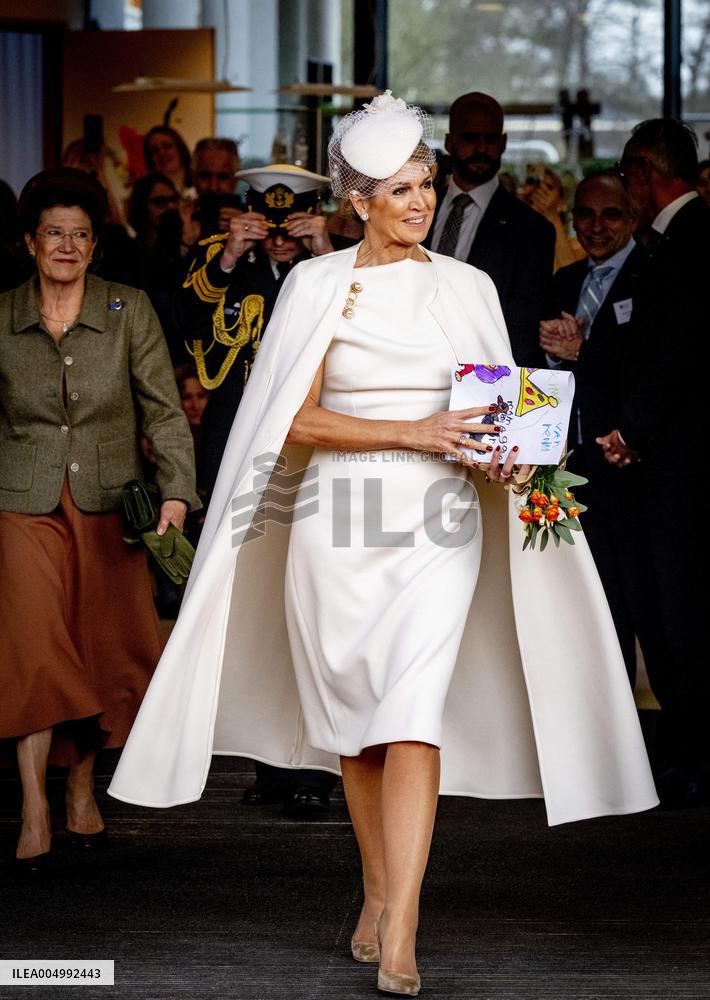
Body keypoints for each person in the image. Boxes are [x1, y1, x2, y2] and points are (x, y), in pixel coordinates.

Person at [109, 94, 657, 997]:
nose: (421, 201)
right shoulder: (317, 287)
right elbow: (287, 420)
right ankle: (375, 888)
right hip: (339, 528)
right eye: (401, 188)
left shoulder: (468, 286)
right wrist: (420, 429)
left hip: (440, 530)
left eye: (427, 184)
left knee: (410, 712)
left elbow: (499, 401)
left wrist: (522, 457)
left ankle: (402, 920)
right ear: (356, 200)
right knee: (359, 730)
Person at [0, 167, 199, 871]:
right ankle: (33, 803)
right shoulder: (1, 315)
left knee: (97, 649)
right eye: (54, 233)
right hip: (20, 504)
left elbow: (164, 409)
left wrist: (175, 490)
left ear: (94, 244)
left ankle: (82, 787)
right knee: (33, 648)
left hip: (111, 503)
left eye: (80, 234)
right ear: (30, 242)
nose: (67, 245)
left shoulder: (127, 309)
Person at [597, 119, 710, 805]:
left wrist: (630, 429)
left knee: (686, 612)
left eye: (627, 176)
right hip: (667, 463)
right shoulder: (671, 241)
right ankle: (690, 752)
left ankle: (700, 757)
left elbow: (683, 353)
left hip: (685, 466)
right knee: (668, 614)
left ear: (644, 172)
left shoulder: (694, 239)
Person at [538, 170, 669, 692]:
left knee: (648, 607)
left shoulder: (654, 277)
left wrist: (583, 353)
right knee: (587, 606)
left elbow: (652, 373)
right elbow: (545, 372)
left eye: (610, 214)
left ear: (632, 219)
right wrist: (553, 352)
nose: (596, 226)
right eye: (585, 215)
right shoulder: (563, 282)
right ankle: (602, 719)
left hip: (632, 471)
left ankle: (669, 747)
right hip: (569, 470)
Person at [173, 163, 335, 501]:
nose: (278, 242)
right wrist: (229, 257)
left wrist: (326, 253)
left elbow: (361, 325)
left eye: (289, 232)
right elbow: (186, 323)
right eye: (269, 231)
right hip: (231, 420)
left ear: (313, 216)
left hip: (307, 421)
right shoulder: (220, 253)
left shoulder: (335, 259)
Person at [424, 91, 555, 366]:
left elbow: (522, 329)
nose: (481, 149)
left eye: (491, 138)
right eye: (470, 138)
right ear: (450, 142)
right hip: (410, 363)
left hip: (485, 379)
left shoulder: (532, 230)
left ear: (504, 142)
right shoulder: (418, 206)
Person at [518, 164, 585, 270]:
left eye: (549, 187)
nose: (539, 190)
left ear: (561, 203)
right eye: (532, 182)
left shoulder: (578, 246)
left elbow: (570, 279)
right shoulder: (511, 242)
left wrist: (551, 216)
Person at [192, 137, 243, 236]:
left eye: (222, 177)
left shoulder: (254, 219)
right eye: (205, 176)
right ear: (193, 178)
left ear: (235, 179)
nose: (213, 186)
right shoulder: (176, 220)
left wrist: (248, 231)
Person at [143, 125, 192, 196]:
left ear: (180, 148)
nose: (161, 153)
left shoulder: (199, 182)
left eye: (167, 146)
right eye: (155, 150)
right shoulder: (146, 192)